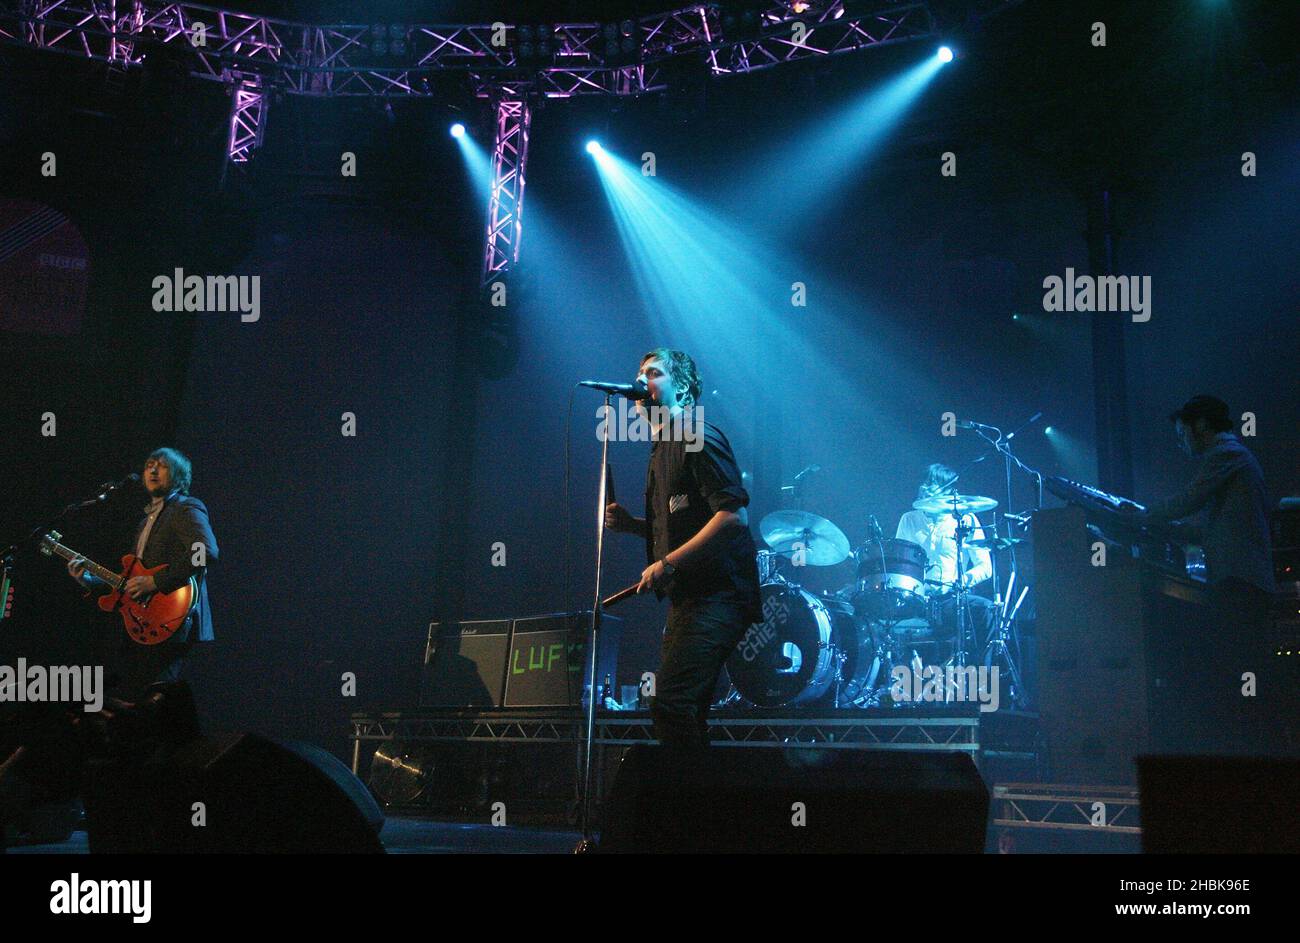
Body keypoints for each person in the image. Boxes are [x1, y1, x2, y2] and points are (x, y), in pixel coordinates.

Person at [604, 348, 760, 749]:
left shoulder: (695, 433)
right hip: (688, 598)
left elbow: (731, 517)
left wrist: (666, 563)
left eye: (653, 374)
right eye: (639, 373)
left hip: (719, 596)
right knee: (686, 712)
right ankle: (701, 803)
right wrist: (635, 528)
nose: (641, 383)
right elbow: (682, 528)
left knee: (671, 704)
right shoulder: (662, 448)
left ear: (685, 390)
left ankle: (683, 807)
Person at [1141, 395, 1275, 753]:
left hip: (1240, 582)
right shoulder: (1234, 461)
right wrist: (1167, 526)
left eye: (1181, 433)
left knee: (1233, 667)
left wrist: (1140, 515)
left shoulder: (1226, 455)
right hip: (1244, 582)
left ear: (1200, 425)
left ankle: (1246, 749)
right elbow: (1207, 528)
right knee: (1238, 668)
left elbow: (1189, 500)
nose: (1179, 442)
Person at [68, 448, 218, 701]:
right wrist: (89, 581)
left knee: (154, 699)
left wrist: (155, 582)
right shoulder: (146, 519)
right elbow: (130, 583)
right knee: (129, 698)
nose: (153, 470)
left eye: (162, 466)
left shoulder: (185, 507)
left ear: (179, 477)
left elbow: (205, 552)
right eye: (149, 465)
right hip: (141, 622)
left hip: (170, 619)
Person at [894, 463, 996, 648]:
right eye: (923, 482)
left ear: (948, 491)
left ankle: (983, 672)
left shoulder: (966, 520)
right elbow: (900, 564)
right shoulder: (909, 519)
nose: (924, 487)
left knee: (986, 609)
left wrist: (958, 583)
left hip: (952, 597)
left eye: (932, 483)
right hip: (916, 599)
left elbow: (985, 567)